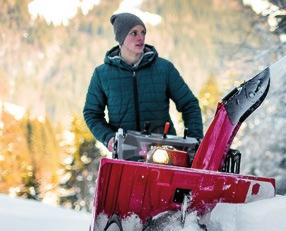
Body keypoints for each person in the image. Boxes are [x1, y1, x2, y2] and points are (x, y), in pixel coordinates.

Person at [83, 12, 203, 152]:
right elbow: (91, 113)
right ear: (121, 38)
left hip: (164, 152)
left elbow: (189, 104)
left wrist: (194, 140)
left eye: (143, 32)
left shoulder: (164, 69)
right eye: (133, 33)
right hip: (125, 152)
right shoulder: (102, 74)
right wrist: (109, 138)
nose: (140, 37)